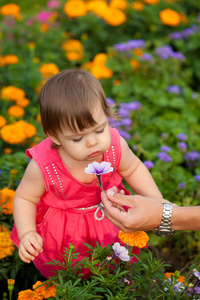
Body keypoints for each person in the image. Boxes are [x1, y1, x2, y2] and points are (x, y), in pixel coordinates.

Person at [11, 69, 163, 279]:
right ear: (55, 136)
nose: (93, 143)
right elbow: (25, 197)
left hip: (110, 221)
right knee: (69, 275)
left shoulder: (115, 146)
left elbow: (133, 168)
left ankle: (113, 282)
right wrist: (27, 231)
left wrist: (155, 200)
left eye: (100, 130)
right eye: (77, 139)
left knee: (114, 268)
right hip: (64, 235)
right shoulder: (44, 165)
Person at [101, 187, 200, 232]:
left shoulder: (115, 149)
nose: (91, 143)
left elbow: (133, 168)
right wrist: (161, 209)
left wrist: (158, 204)